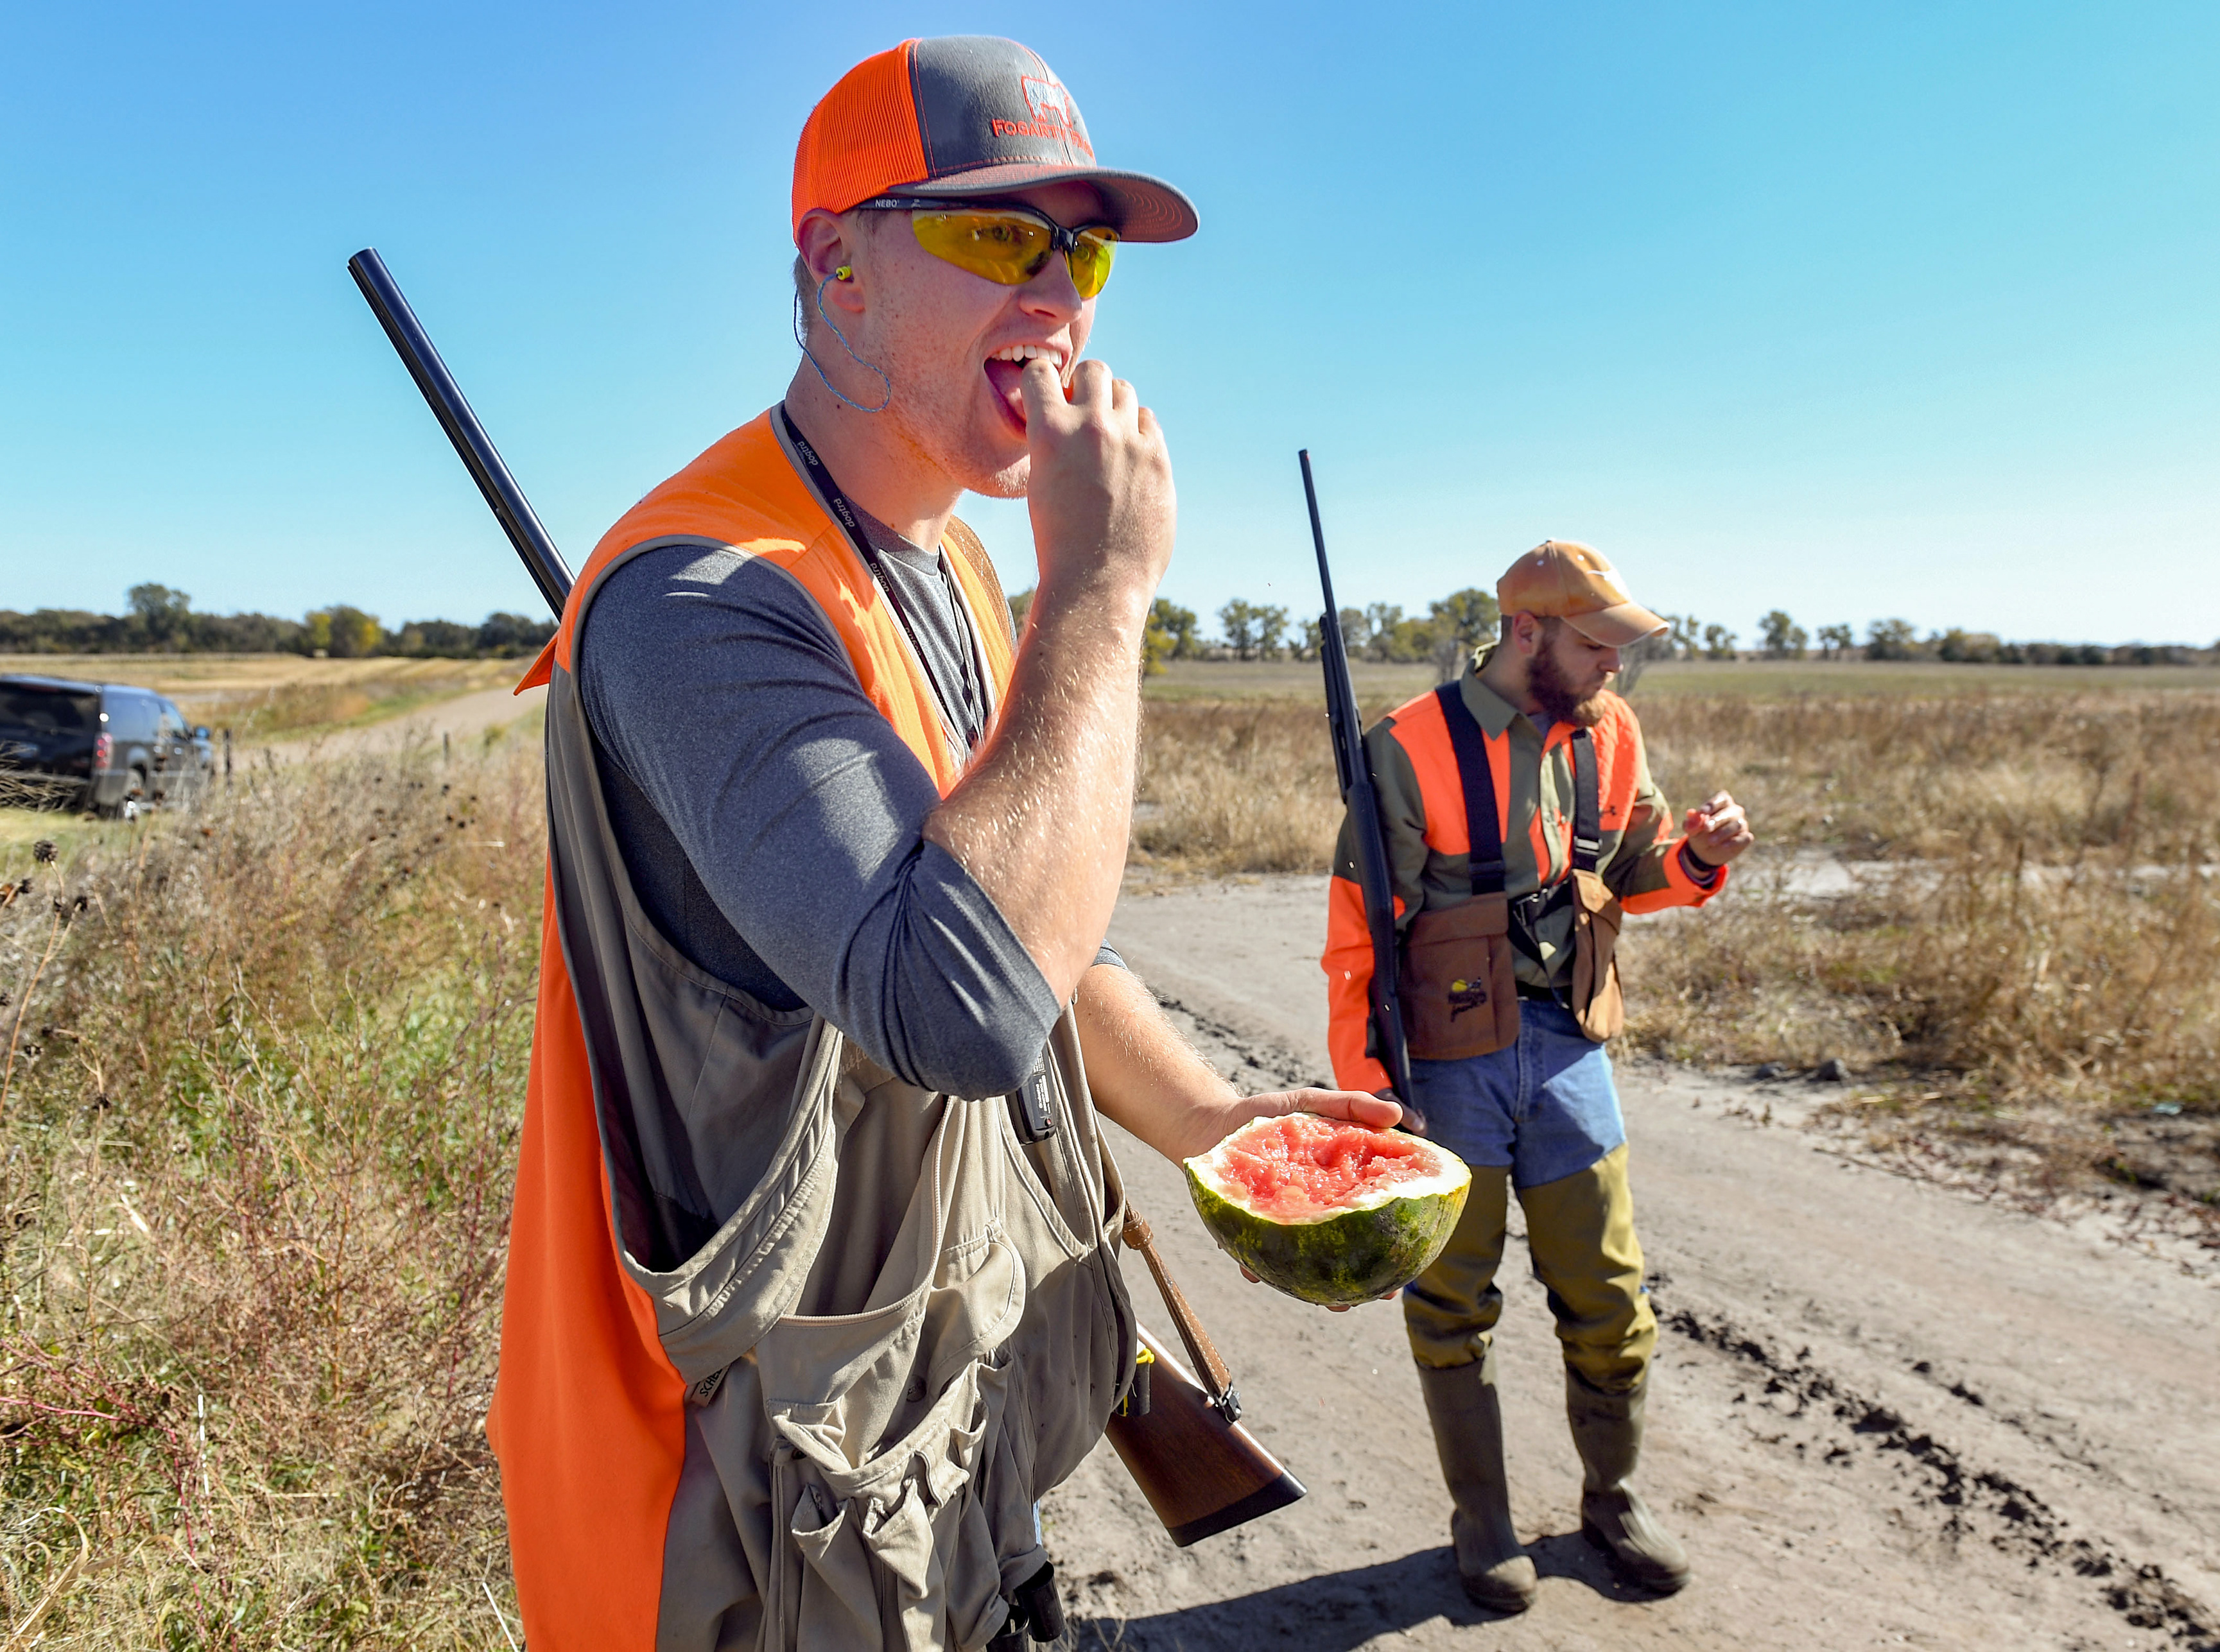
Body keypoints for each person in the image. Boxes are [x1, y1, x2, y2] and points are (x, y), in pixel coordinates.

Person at [487, 37, 1398, 1649]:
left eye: (1085, 249)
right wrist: (1104, 590)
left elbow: (1042, 935)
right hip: (731, 1499)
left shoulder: (963, 573)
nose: (1056, 293)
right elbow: (962, 999)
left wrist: (1208, 1120)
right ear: (836, 264)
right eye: (996, 236)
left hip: (913, 1430)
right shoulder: (699, 602)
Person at [1321, 540, 1753, 1613]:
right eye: (1597, 643)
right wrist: (1375, 1099)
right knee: (1452, 1300)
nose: (1615, 665)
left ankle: (1613, 1499)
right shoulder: (1406, 748)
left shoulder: (1609, 732)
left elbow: (1632, 873)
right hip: (1452, 1060)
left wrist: (1698, 857)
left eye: (1620, 647)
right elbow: (1357, 938)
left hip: (1568, 1043)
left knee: (1610, 1294)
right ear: (1527, 633)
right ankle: (1484, 1520)